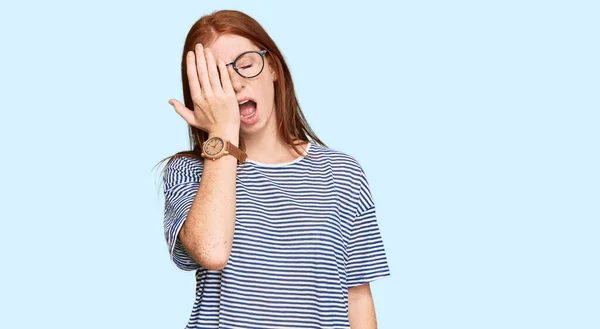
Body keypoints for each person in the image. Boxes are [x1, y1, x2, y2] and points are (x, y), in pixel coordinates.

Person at [158, 9, 391, 329]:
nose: (236, 84)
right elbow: (212, 250)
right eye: (217, 78)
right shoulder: (189, 171)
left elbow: (357, 294)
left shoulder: (342, 172)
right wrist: (223, 133)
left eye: (247, 64)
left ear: (274, 68)